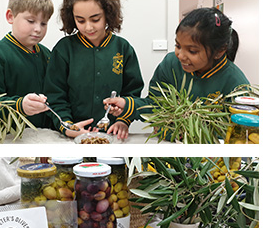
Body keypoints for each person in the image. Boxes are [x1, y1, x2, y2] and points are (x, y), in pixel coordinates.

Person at [103, 7, 250, 136]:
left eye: (192, 51)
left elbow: (240, 133)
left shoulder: (237, 85)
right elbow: (156, 106)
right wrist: (128, 105)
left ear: (219, 51)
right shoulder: (171, 64)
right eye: (178, 46)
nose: (180, 55)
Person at [43, 0, 144, 139]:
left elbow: (132, 92)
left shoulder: (123, 48)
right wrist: (67, 126)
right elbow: (55, 96)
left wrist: (123, 120)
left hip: (111, 135)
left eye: (95, 19)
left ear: (108, 14)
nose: (88, 27)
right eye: (81, 21)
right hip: (70, 136)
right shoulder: (63, 49)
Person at [0, 0, 54, 131]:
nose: (38, 29)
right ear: (10, 17)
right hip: (4, 139)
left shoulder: (47, 55)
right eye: (31, 21)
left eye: (44, 23)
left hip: (42, 137)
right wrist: (20, 106)